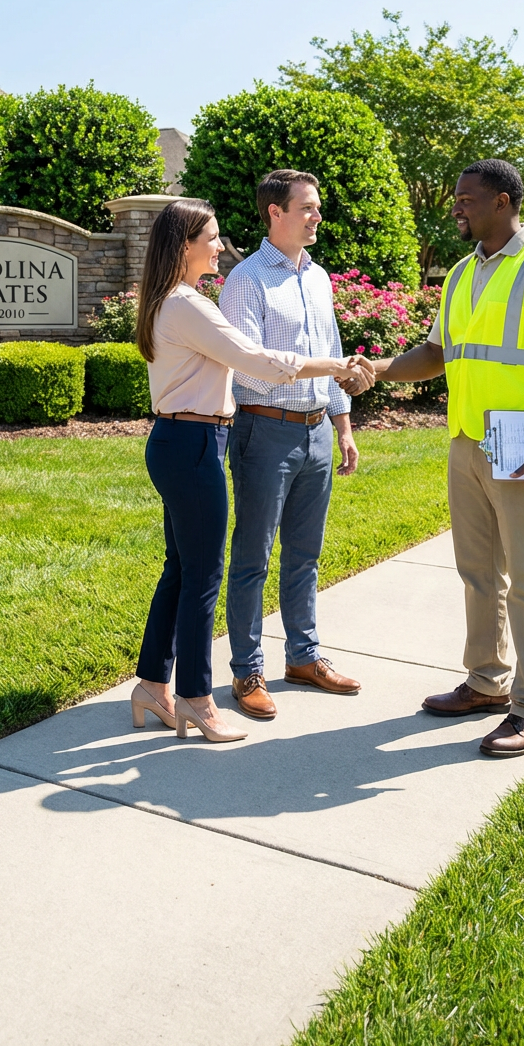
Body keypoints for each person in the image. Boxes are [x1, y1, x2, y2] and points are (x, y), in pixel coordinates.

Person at [363, 159, 524, 757]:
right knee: (478, 574)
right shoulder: (463, 272)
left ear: (504, 201)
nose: (457, 207)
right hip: (467, 440)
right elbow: (437, 352)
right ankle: (487, 683)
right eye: (457, 199)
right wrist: (379, 369)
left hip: (523, 448)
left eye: (468, 198)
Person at [131, 197, 372, 744]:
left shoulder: (176, 300)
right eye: (211, 237)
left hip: (184, 438)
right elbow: (259, 361)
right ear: (184, 245)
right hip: (193, 442)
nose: (220, 246)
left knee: (180, 569)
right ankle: (195, 697)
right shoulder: (188, 306)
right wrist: (335, 366)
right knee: (202, 577)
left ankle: (151, 683)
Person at [219, 170, 374, 720]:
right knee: (253, 557)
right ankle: (246, 670)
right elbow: (251, 371)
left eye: (317, 208)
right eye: (306, 208)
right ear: (275, 213)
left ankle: (303, 658)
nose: (316, 217)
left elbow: (331, 350)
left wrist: (344, 425)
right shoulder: (246, 280)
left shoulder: (319, 278)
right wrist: (327, 369)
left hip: (314, 432)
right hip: (265, 431)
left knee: (305, 556)